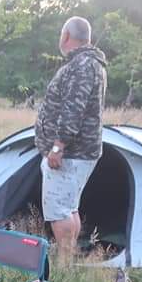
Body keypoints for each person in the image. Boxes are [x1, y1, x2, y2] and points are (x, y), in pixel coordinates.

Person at [34, 16, 108, 258]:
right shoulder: (90, 63)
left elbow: (73, 110)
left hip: (71, 153)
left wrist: (58, 146)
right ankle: (69, 260)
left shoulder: (81, 66)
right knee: (69, 207)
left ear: (66, 36)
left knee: (58, 210)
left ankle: (65, 265)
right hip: (80, 152)